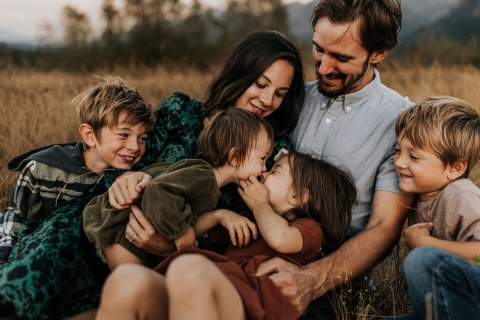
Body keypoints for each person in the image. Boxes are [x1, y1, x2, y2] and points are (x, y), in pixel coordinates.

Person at [0, 30, 305, 319]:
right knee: (27, 289)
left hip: (169, 264)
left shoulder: (270, 152)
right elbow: (125, 156)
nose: (267, 100)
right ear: (240, 74)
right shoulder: (181, 112)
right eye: (261, 84)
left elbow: (243, 231)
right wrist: (121, 179)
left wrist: (172, 243)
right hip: (107, 221)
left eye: (280, 93)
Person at [249, 1, 416, 318]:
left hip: (331, 282)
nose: (324, 67)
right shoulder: (289, 97)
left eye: (341, 57)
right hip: (252, 251)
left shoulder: (400, 122)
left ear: (378, 53)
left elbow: (384, 225)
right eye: (318, 50)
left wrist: (311, 280)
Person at [96, 150, 358, 320]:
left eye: (274, 171)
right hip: (207, 293)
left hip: (250, 305)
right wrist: (221, 216)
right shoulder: (247, 220)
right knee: (126, 279)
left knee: (189, 268)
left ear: (297, 197)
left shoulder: (307, 229)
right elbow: (195, 232)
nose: (263, 173)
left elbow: (279, 239)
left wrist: (259, 205)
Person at [83, 108, 274, 269]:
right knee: (133, 288)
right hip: (119, 233)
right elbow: (158, 192)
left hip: (126, 234)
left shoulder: (209, 183)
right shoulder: (205, 177)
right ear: (234, 157)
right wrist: (182, 234)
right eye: (262, 159)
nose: (265, 168)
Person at [0, 77, 155, 262]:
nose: (135, 147)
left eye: (142, 138)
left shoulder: (132, 179)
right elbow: (17, 215)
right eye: (124, 134)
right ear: (90, 135)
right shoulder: (43, 169)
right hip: (41, 254)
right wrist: (5, 253)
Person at [393, 96, 480, 320]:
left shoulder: (460, 195)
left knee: (422, 259)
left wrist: (425, 243)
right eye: (397, 151)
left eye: (413, 156)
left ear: (455, 167)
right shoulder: (420, 196)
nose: (400, 162)